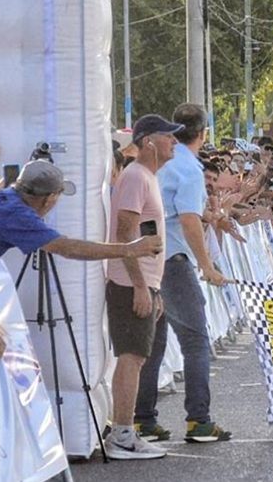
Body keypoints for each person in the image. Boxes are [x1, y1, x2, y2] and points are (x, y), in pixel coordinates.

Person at [0, 160, 163, 350]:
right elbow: (68, 248)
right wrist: (129, 249)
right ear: (49, 198)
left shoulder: (2, 200)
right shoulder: (16, 215)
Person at [135, 103, 232, 444]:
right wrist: (207, 265)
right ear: (203, 134)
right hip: (174, 260)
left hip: (149, 258)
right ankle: (198, 419)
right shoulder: (189, 168)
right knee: (195, 342)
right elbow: (189, 219)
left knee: (154, 342)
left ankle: (143, 419)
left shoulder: (160, 162)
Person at [103, 115, 181, 460]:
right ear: (149, 141)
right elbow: (125, 233)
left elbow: (144, 232)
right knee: (131, 357)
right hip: (128, 282)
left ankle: (125, 430)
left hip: (142, 281)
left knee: (137, 357)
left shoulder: (146, 177)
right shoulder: (136, 176)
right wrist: (138, 285)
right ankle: (122, 434)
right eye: (169, 136)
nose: (174, 142)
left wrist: (153, 287)